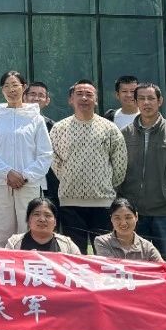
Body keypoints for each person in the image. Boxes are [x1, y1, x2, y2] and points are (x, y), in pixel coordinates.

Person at [116, 82, 166, 275]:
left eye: (151, 98)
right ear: (136, 102)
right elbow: (117, 173)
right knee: (134, 264)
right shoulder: (124, 134)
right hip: (133, 212)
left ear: (160, 101)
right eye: (142, 99)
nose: (146, 103)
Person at [49, 79, 127, 254]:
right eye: (79, 94)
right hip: (70, 202)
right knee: (75, 256)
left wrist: (104, 183)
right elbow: (53, 159)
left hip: (103, 202)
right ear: (71, 99)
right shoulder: (59, 128)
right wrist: (70, 177)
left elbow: (120, 163)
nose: (84, 98)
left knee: (105, 255)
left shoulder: (110, 129)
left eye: (89, 94)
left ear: (96, 100)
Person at [0, 71, 53, 247]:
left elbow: (45, 154)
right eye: (6, 86)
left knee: (28, 230)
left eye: (15, 85)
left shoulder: (36, 119)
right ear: (2, 90)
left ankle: (27, 263)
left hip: (28, 185)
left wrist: (24, 176)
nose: (11, 90)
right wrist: (7, 173)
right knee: (2, 231)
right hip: (1, 184)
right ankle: (3, 264)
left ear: (24, 87)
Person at [25, 80, 62, 227]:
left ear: (47, 100)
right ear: (24, 97)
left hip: (48, 184)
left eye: (41, 95)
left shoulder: (54, 127)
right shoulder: (13, 124)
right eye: (32, 94)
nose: (36, 98)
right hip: (21, 181)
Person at [93, 198, 165, 262]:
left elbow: (163, 268)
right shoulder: (102, 242)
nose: (123, 223)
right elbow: (110, 267)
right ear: (111, 219)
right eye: (117, 218)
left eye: (128, 217)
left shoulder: (147, 247)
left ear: (136, 217)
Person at [4, 197, 79, 253]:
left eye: (48, 215)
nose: (42, 219)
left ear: (55, 222)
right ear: (28, 220)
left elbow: (79, 266)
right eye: (36, 214)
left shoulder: (67, 245)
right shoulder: (14, 244)